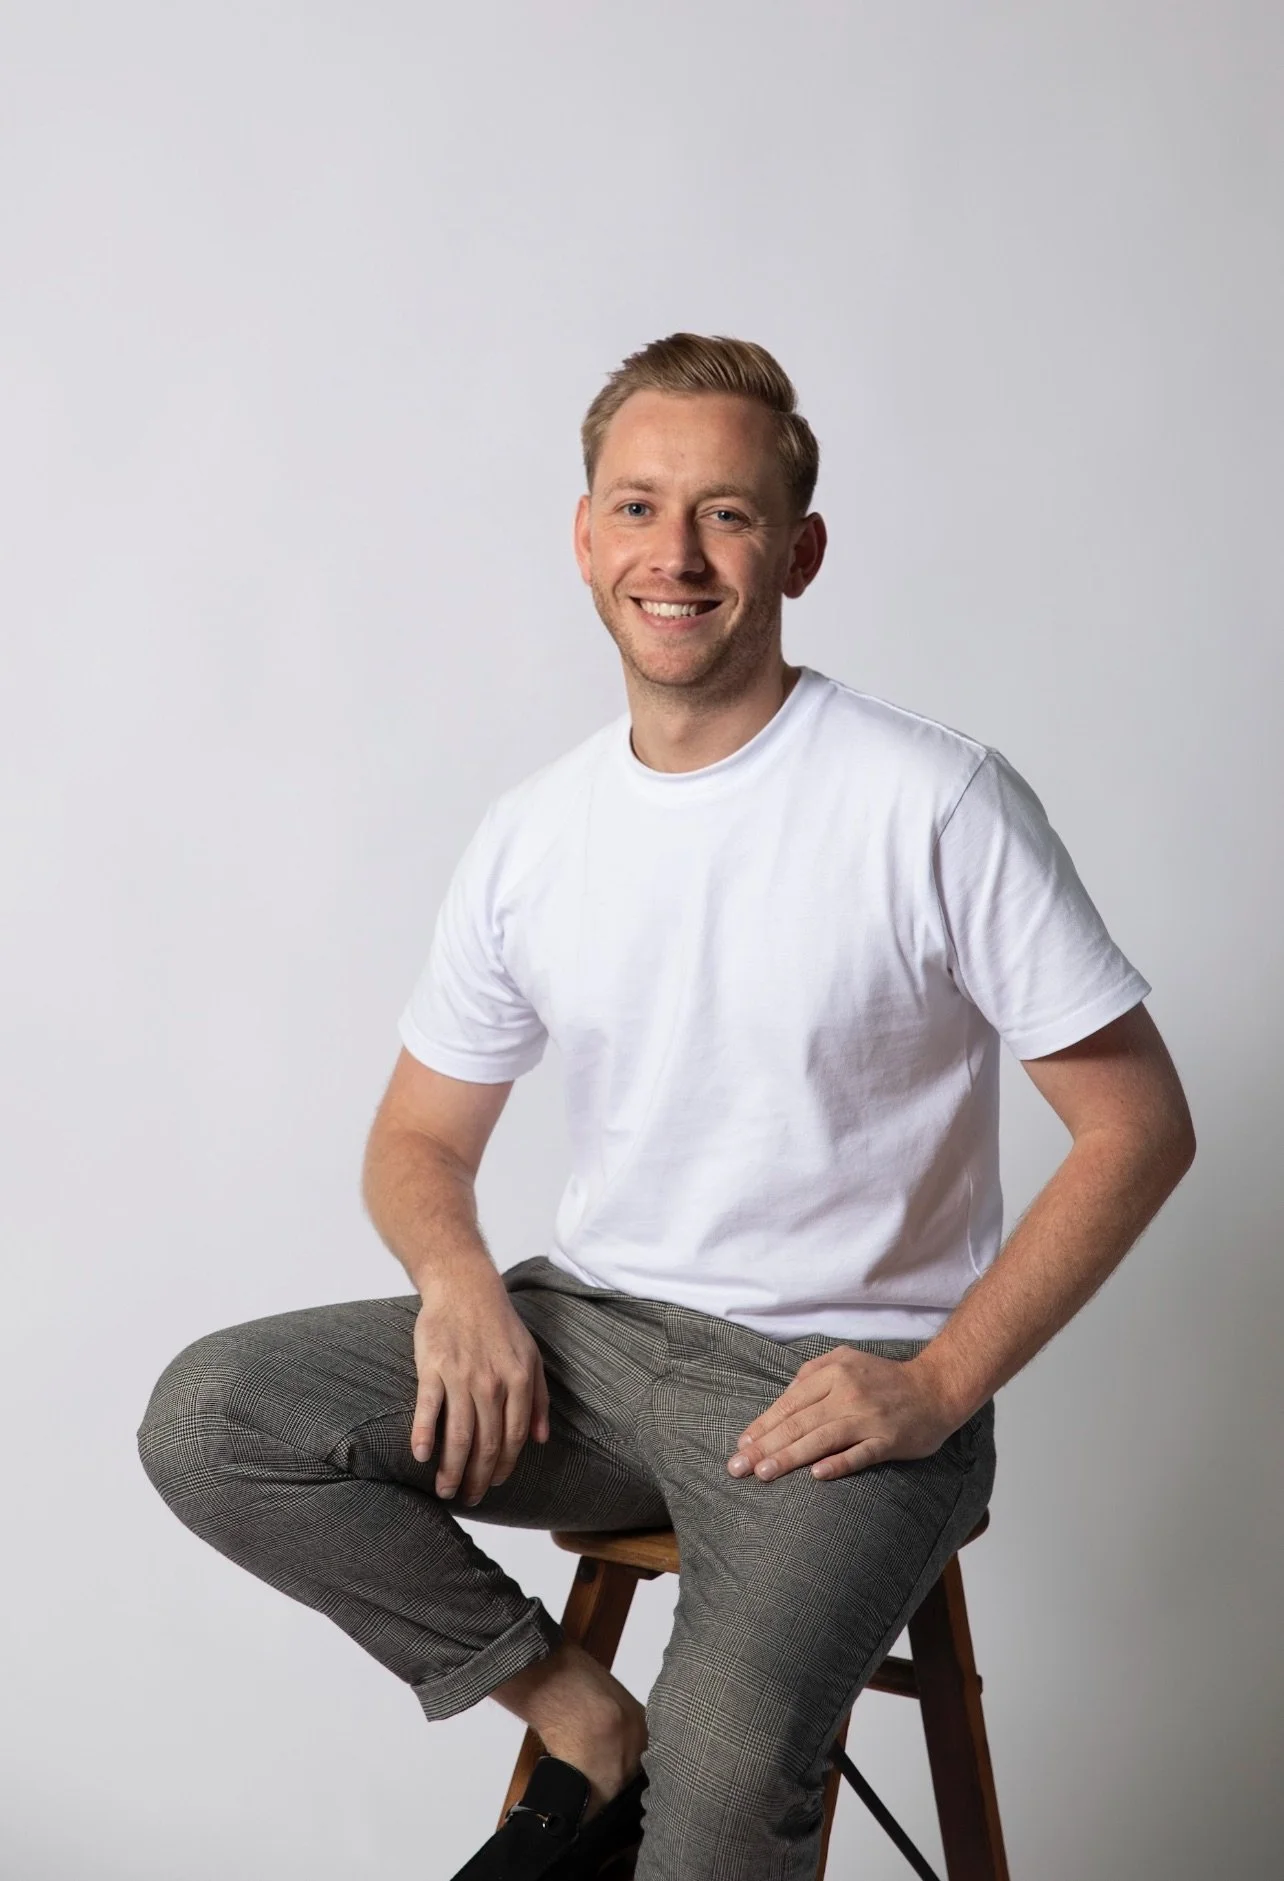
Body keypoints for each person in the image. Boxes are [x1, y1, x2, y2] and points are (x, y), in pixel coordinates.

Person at [138, 333, 1196, 1881]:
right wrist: (457, 1285)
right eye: (637, 508)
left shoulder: (932, 800)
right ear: (585, 539)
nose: (676, 555)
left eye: (727, 514)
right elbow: (419, 1137)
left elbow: (1139, 1127)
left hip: (839, 1391)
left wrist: (940, 1384)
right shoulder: (536, 834)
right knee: (217, 1417)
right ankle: (584, 1719)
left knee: (708, 1837)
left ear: (799, 549)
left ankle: (667, 1771)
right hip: (596, 1339)